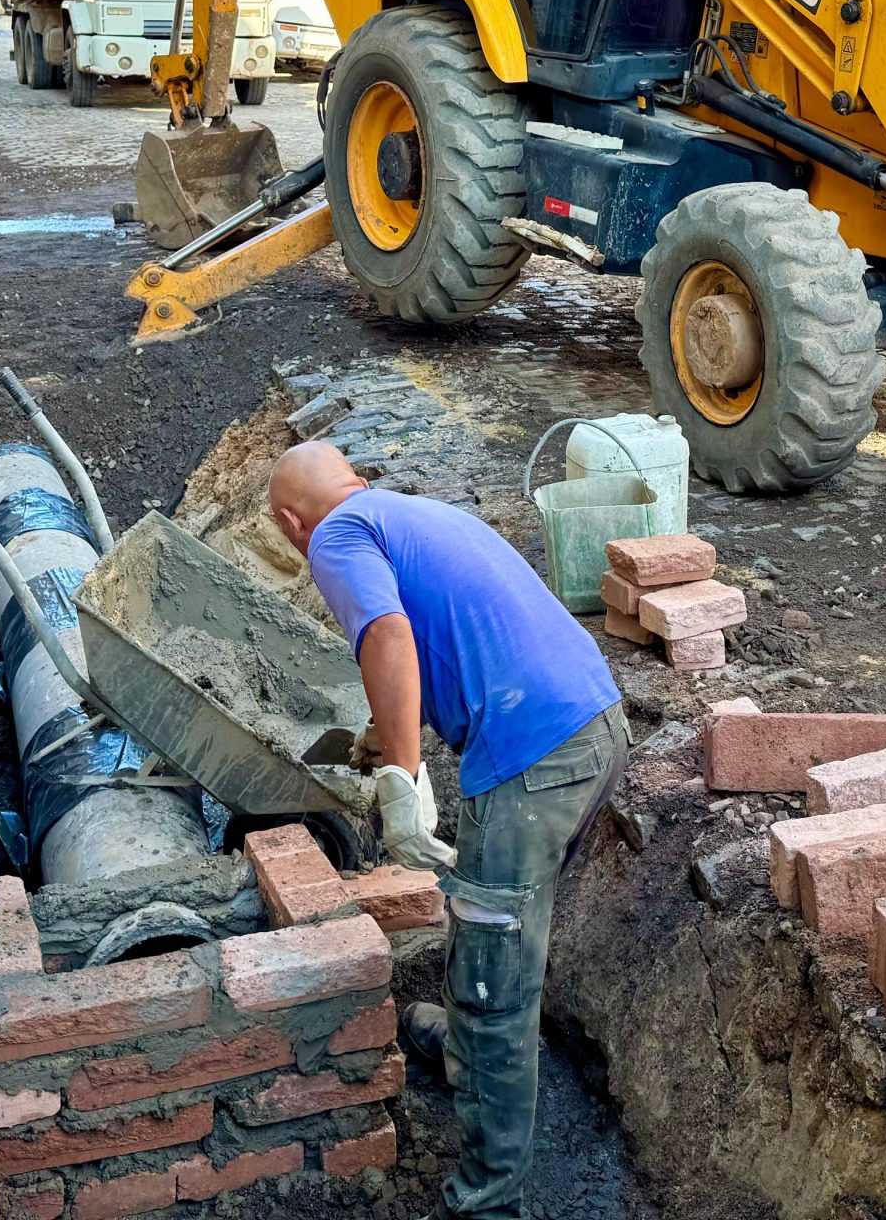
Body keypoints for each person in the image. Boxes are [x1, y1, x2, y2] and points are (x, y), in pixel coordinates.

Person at [267, 443, 626, 1220]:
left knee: (495, 975)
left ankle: (488, 1200)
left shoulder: (333, 535)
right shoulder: (409, 513)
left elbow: (389, 637)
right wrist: (379, 730)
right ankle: (464, 1047)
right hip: (594, 725)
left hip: (536, 758)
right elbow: (441, 640)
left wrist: (402, 774)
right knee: (490, 914)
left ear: (291, 524)